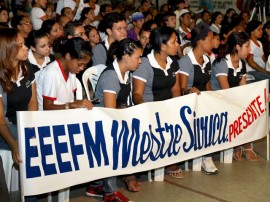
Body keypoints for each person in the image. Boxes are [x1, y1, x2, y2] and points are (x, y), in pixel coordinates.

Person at [133, 26, 182, 178]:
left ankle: (169, 156)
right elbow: (137, 94)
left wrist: (177, 110)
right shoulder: (145, 64)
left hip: (167, 110)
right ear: (162, 45)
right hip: (149, 110)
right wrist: (148, 111)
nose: (177, 45)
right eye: (174, 42)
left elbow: (175, 91)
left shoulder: (173, 62)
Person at [210, 31, 260, 161]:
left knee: (253, 107)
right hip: (217, 100)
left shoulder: (242, 63)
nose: (249, 50)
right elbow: (225, 91)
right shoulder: (221, 63)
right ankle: (242, 145)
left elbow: (243, 89)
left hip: (233, 98)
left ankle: (241, 144)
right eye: (247, 46)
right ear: (238, 47)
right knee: (239, 110)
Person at [0, 28, 37, 200]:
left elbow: (33, 101)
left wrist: (33, 125)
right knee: (28, 148)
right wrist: (14, 143)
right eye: (21, 45)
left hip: (22, 122)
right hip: (5, 128)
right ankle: (31, 198)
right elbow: (0, 120)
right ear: (8, 50)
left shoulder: (27, 67)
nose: (26, 48)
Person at [178, 22, 218, 175]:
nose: (213, 42)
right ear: (201, 40)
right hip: (188, 104)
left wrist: (217, 96)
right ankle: (205, 157)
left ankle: (206, 153)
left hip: (202, 102)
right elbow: (182, 89)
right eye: (210, 38)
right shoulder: (185, 62)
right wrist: (190, 90)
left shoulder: (207, 60)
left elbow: (207, 85)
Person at [246, 20, 270, 86]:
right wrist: (265, 72)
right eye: (259, 29)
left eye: (261, 29)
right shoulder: (249, 43)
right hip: (252, 71)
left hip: (261, 71)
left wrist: (267, 69)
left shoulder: (259, 43)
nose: (261, 31)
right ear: (252, 31)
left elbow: (264, 59)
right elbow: (251, 62)